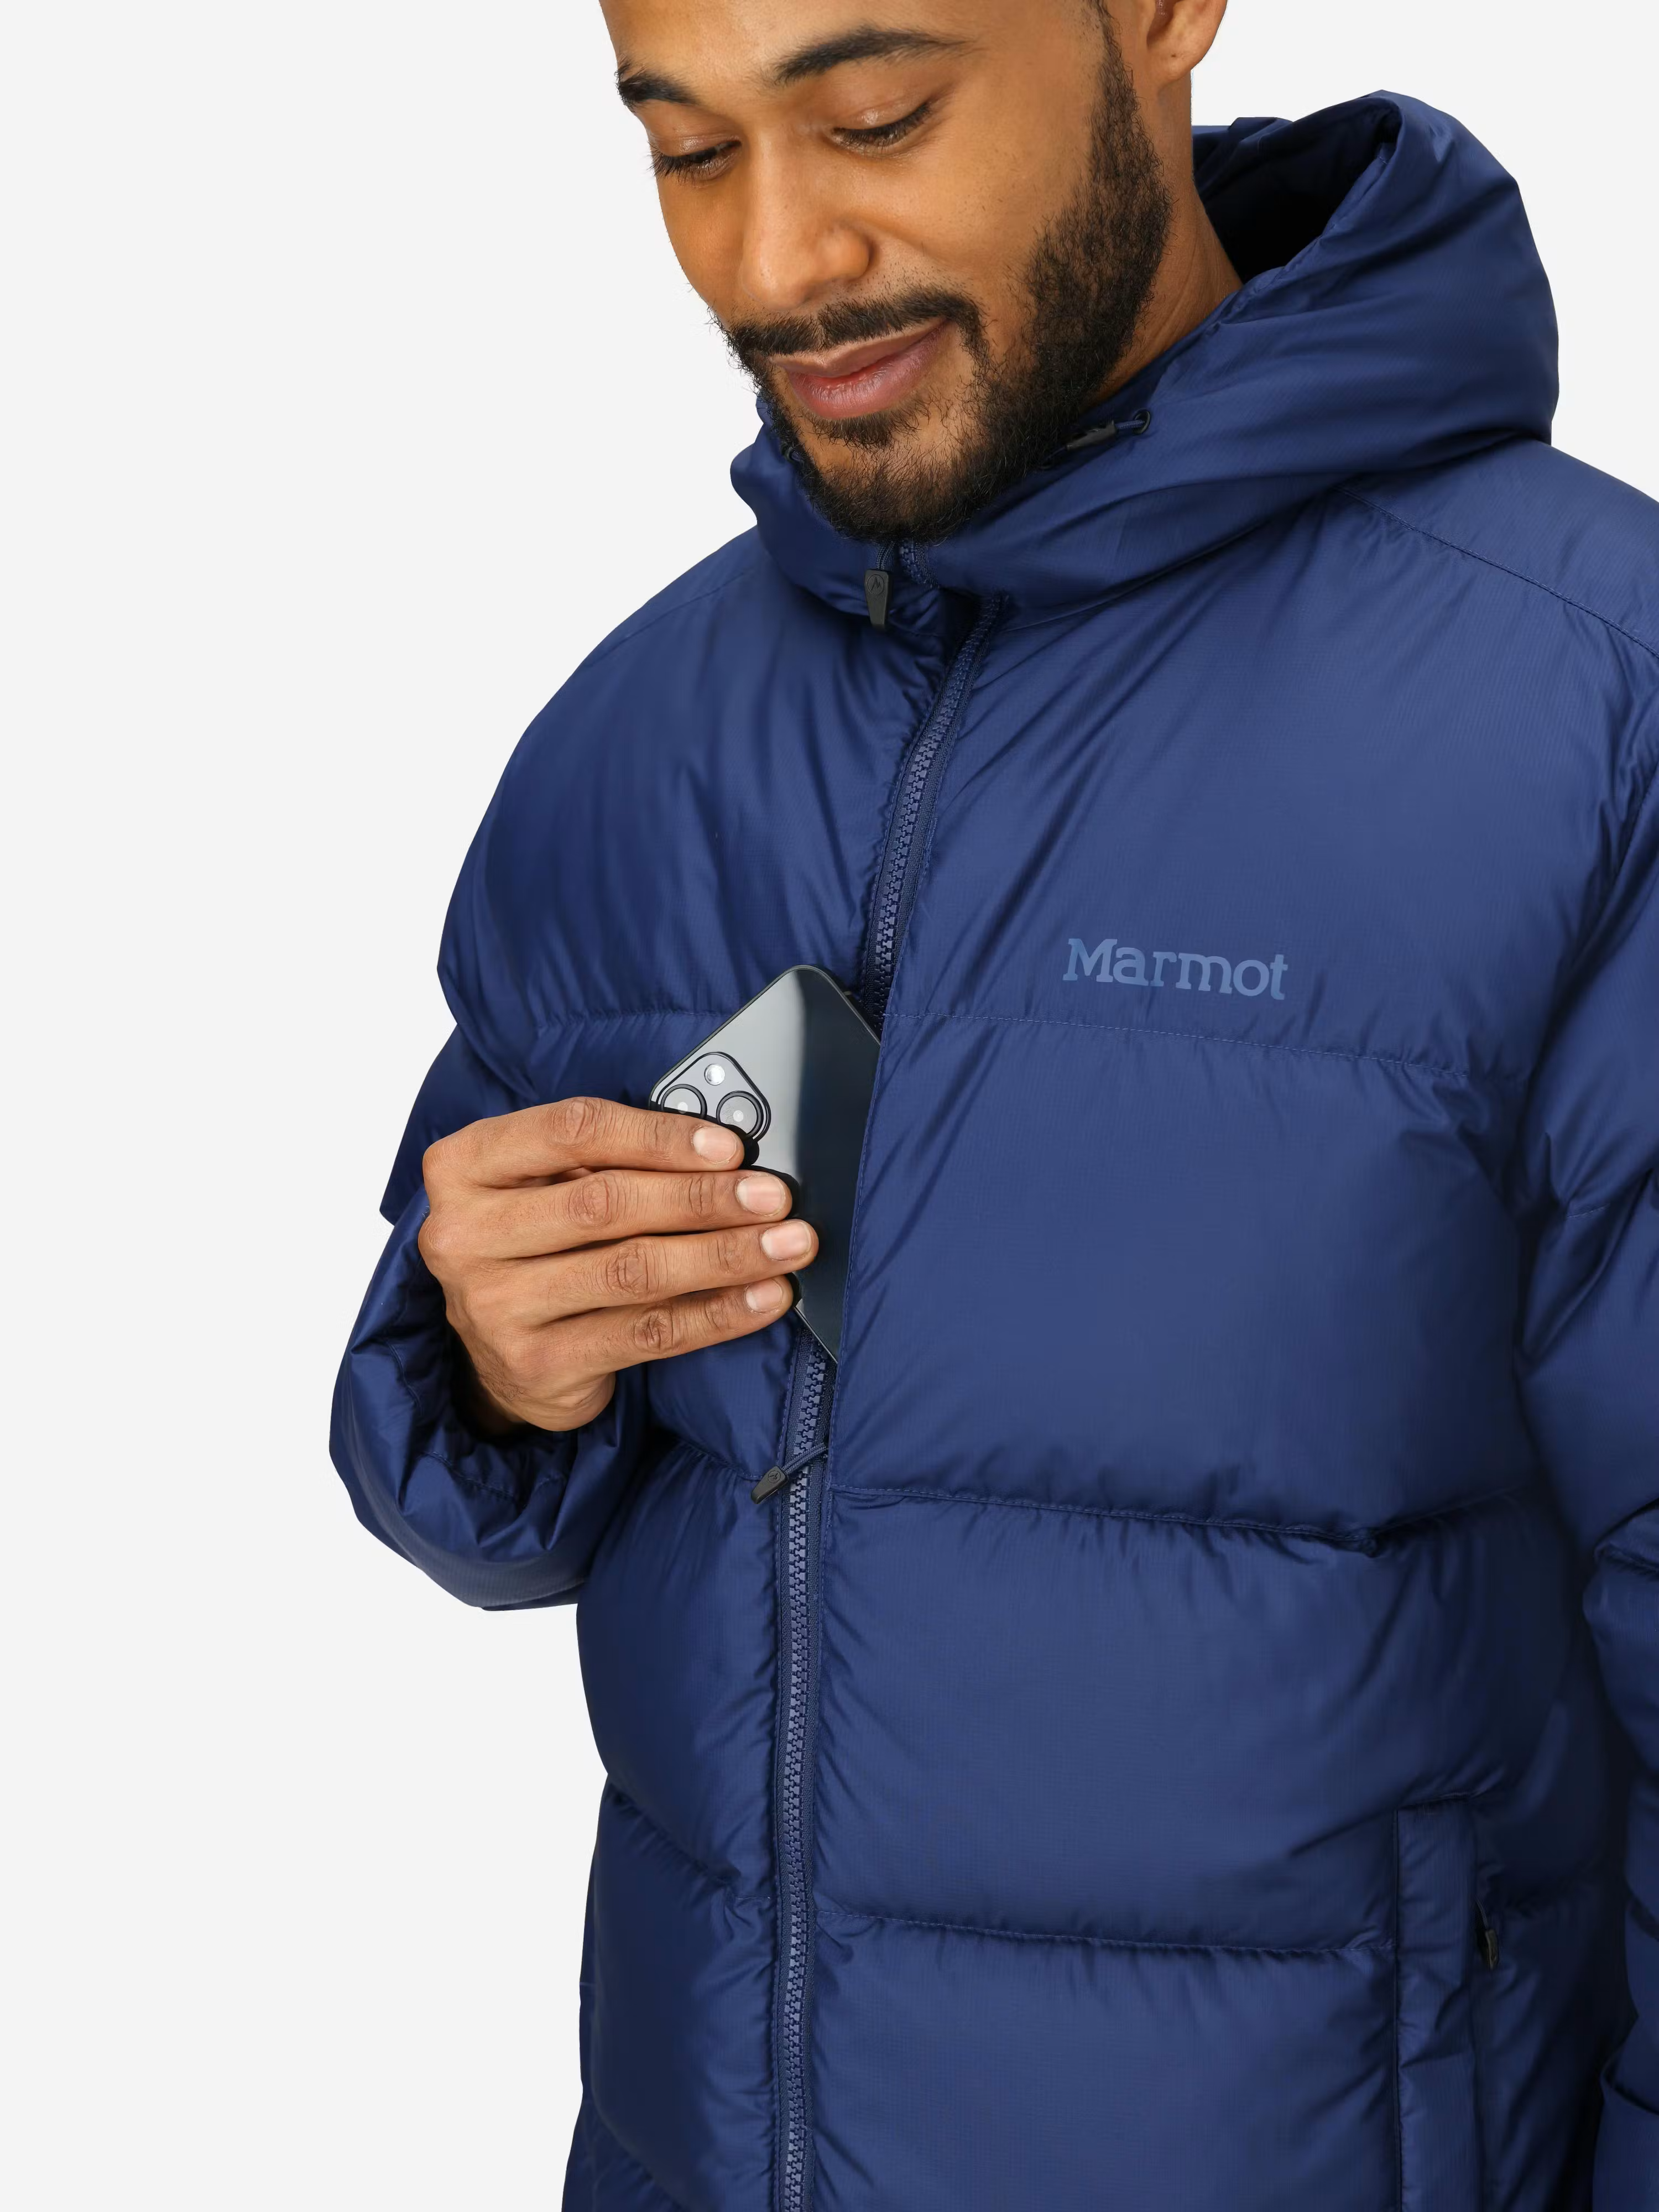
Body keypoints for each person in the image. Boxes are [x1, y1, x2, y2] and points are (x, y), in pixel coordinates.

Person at [330, 2, 1659, 2204]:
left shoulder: (1592, 706)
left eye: (875, 118)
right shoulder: (640, 734)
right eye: (686, 151)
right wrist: (491, 1361)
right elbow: (492, 1477)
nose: (775, 262)